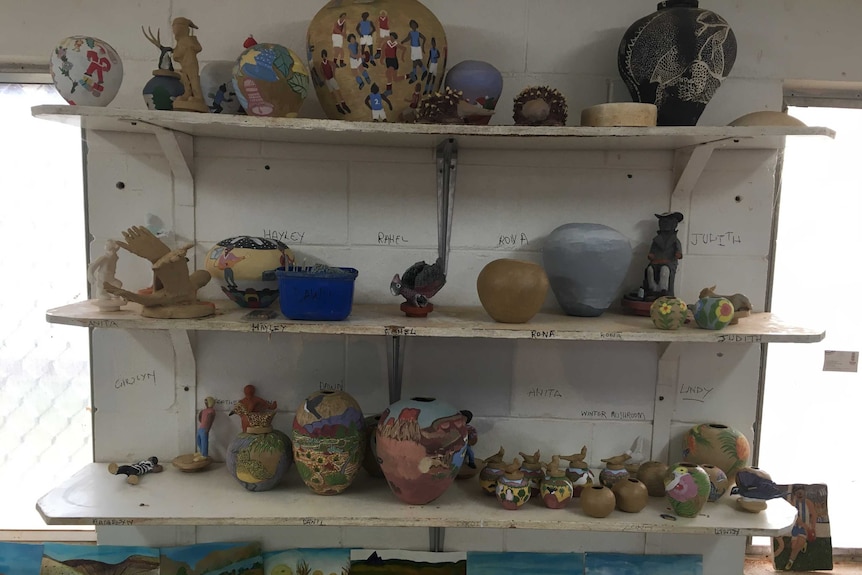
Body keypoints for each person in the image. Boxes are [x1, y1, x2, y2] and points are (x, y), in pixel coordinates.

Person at [171, 17, 206, 109]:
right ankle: (188, 93)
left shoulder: (190, 39)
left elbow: (198, 48)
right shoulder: (179, 42)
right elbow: (176, 55)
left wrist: (190, 46)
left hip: (191, 63)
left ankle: (198, 97)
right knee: (185, 80)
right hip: (184, 64)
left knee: (193, 78)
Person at [783, 484, 817, 570]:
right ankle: (803, 545)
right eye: (798, 492)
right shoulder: (792, 503)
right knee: (794, 546)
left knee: (799, 543)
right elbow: (795, 517)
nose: (800, 494)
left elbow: (813, 515)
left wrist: (812, 528)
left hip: (805, 529)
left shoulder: (808, 502)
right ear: (794, 494)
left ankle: (790, 562)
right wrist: (804, 525)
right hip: (795, 527)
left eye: (802, 492)